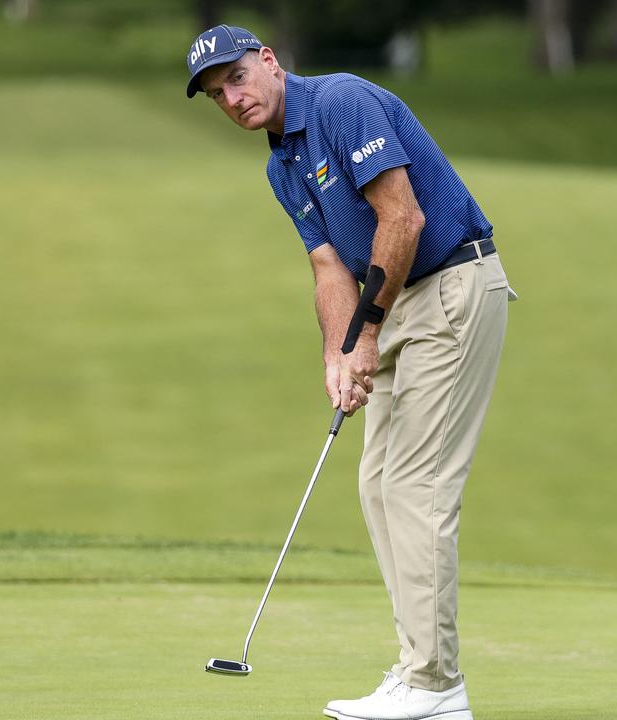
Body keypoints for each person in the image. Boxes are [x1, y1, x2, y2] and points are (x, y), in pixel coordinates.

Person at [185, 25, 512, 720]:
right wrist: (337, 355)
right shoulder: (281, 166)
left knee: (418, 486)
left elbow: (403, 217)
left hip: (451, 287)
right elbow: (330, 266)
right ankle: (416, 666)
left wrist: (366, 332)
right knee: (378, 486)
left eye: (237, 78)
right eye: (217, 96)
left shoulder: (339, 103)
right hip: (395, 307)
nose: (233, 99)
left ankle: (436, 686)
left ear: (269, 61)